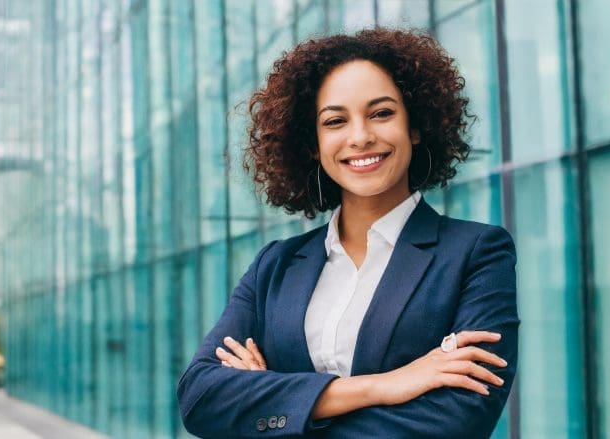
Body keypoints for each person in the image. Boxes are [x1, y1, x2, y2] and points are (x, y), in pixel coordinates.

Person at [177, 28, 518, 439]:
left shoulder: (476, 253)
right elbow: (200, 398)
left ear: (415, 126)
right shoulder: (275, 265)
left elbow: (458, 419)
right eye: (335, 121)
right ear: (313, 143)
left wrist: (272, 407)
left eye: (381, 113)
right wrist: (385, 386)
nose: (360, 137)